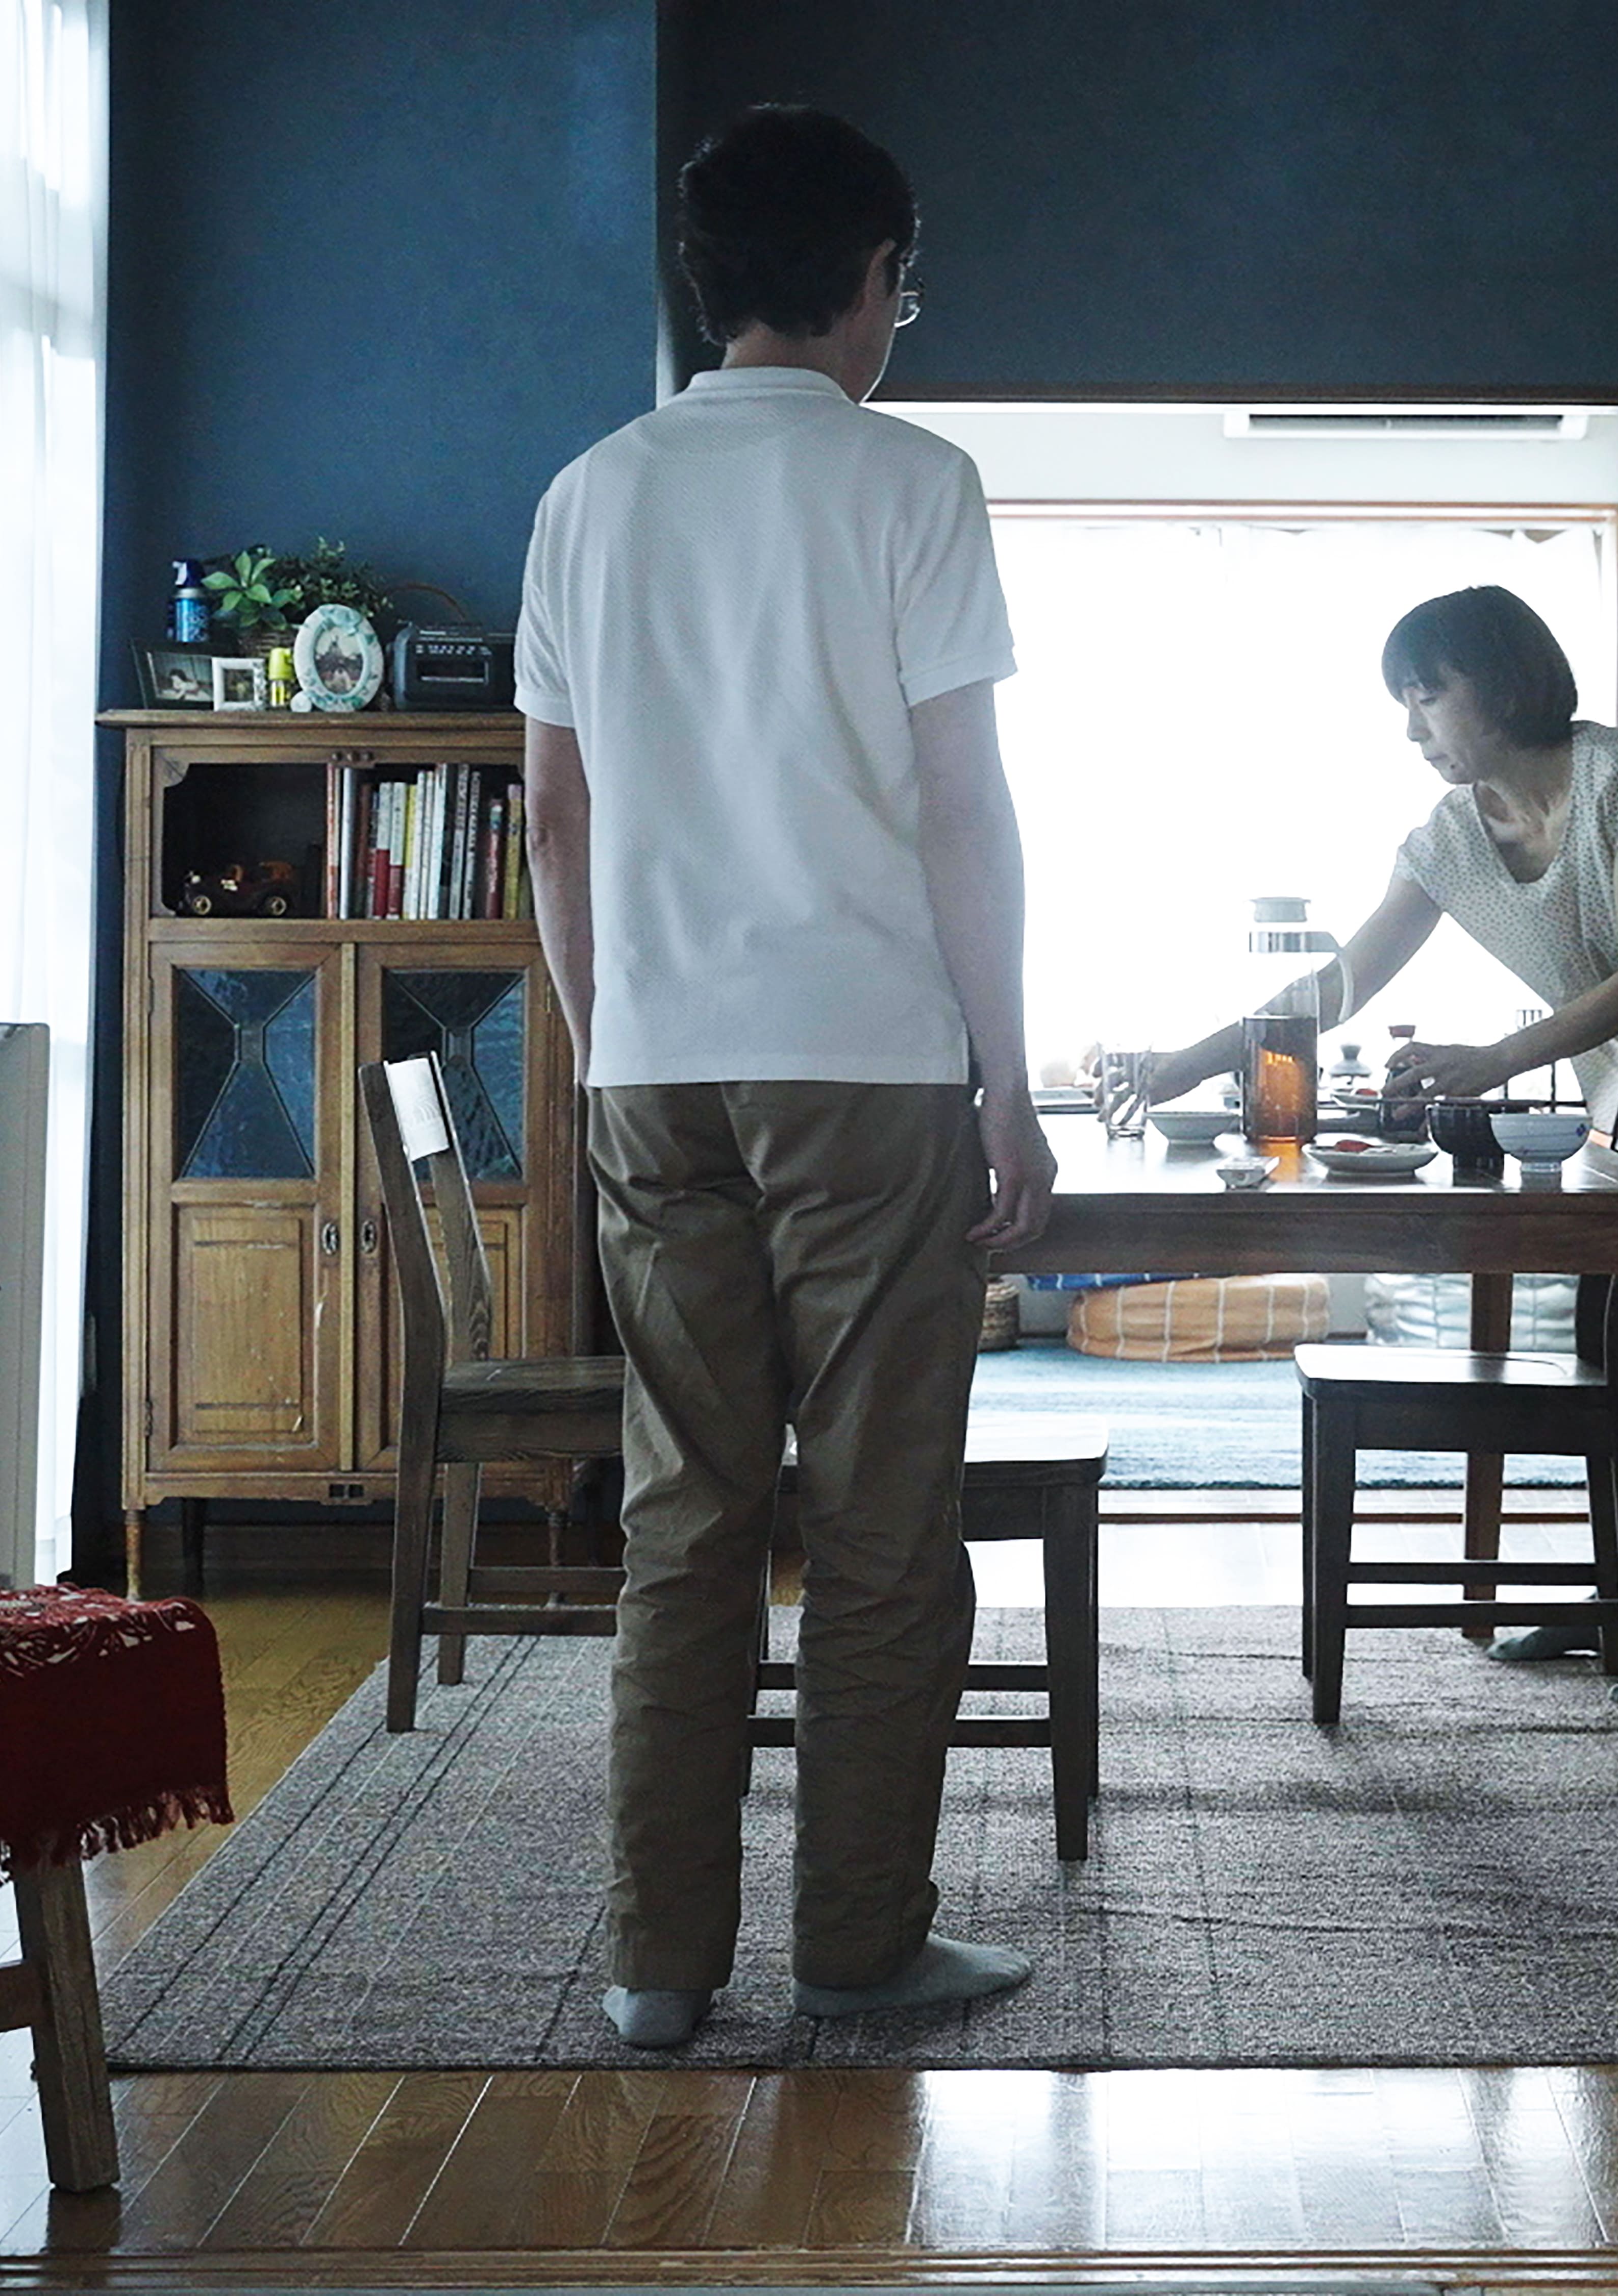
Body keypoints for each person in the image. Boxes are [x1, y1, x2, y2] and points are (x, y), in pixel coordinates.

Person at [517, 104, 1056, 2051]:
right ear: (873, 277)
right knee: (884, 1528)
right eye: (902, 285)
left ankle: (658, 1967)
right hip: (864, 1068)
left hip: (656, 1069)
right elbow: (959, 808)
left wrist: (611, 1050)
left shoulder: (589, 493)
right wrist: (1008, 1080)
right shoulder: (911, 481)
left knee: (686, 1521)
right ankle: (856, 1949)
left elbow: (555, 819)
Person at [1142, 585, 1618, 1653]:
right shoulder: (1449, 838)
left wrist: (1488, 1063)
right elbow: (1337, 986)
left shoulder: (1617, 775)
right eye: (1403, 703)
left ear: (1500, 684)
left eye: (1426, 696)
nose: (1412, 729)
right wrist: (1184, 1063)